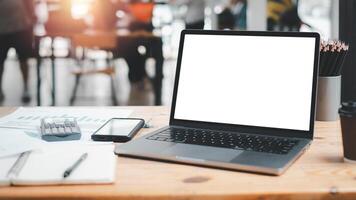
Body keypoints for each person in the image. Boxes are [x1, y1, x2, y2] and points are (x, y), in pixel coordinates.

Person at [0, 0, 36, 103]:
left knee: (23, 60)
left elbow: (30, 7)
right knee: (0, 62)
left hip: (21, 29)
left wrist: (31, 21)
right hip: (2, 31)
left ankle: (26, 88)